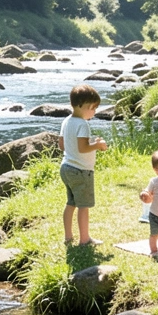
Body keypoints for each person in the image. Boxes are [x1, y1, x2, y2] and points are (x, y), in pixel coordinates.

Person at [59, 84, 107, 246]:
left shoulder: (67, 121)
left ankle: (68, 236)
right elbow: (83, 147)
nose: (94, 112)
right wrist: (98, 145)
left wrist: (91, 143)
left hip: (66, 167)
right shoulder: (83, 124)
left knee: (71, 203)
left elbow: (62, 145)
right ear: (81, 105)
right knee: (83, 206)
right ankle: (85, 239)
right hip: (81, 171)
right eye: (92, 108)